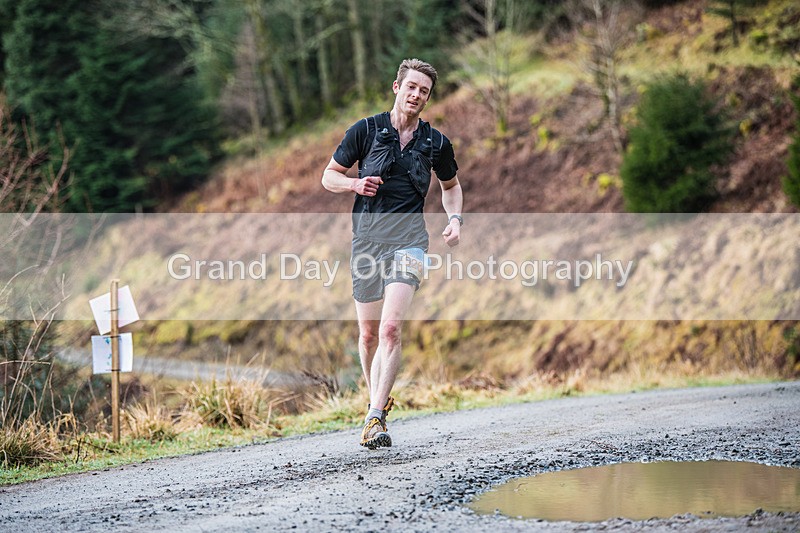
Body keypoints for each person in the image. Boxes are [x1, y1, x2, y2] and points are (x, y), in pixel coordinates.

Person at [321, 58, 463, 449]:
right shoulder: (365, 131)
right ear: (397, 87)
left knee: (389, 329)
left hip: (410, 243)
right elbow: (328, 175)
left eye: (425, 91)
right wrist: (354, 184)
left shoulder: (435, 143)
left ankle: (375, 415)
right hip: (366, 242)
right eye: (412, 87)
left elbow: (451, 187)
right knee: (367, 336)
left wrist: (455, 220)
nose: (417, 95)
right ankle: (375, 404)